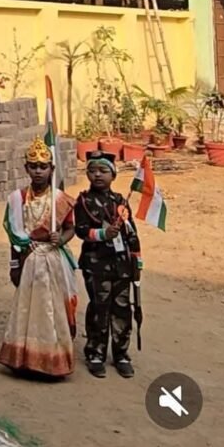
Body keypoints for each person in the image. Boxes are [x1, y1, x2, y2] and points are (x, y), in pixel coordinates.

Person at [0, 137, 77, 378]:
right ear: (26, 169)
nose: (39, 171)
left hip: (53, 260)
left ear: (52, 169)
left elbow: (71, 228)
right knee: (27, 310)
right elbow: (15, 237)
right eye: (34, 167)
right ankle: (24, 359)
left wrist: (60, 239)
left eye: (43, 167)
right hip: (29, 259)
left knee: (52, 310)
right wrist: (14, 265)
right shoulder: (17, 199)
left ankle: (52, 360)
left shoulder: (60, 199)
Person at [74, 150, 142, 379]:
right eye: (92, 171)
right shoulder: (83, 201)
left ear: (113, 175)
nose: (97, 175)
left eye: (103, 171)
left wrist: (136, 259)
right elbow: (81, 231)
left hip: (122, 265)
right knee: (99, 308)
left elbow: (131, 232)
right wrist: (103, 233)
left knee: (122, 308)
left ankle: (121, 354)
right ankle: (95, 353)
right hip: (96, 264)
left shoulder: (121, 201)